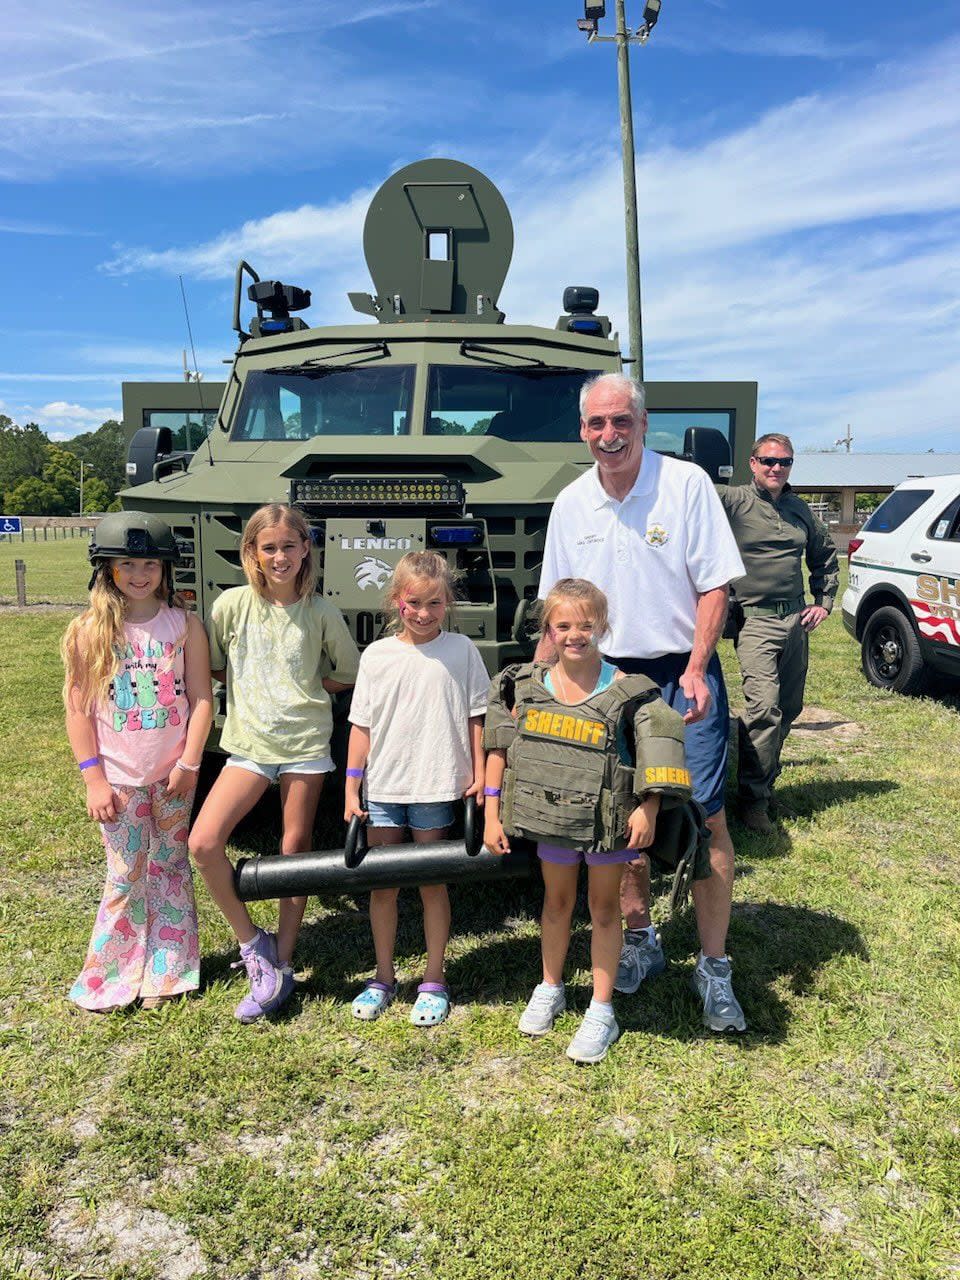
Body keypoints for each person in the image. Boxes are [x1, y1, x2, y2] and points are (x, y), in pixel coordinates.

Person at [538, 372, 749, 1032]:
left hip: (681, 675)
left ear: (642, 422)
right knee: (620, 822)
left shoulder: (685, 486)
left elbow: (714, 587)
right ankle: (640, 941)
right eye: (597, 424)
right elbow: (557, 612)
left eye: (620, 422)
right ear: (582, 430)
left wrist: (695, 669)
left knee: (707, 818)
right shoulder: (571, 503)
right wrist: (540, 693)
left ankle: (714, 968)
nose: (609, 435)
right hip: (607, 681)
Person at [484, 578, 692, 1063]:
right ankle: (550, 986)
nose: (575, 634)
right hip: (552, 821)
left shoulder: (628, 690)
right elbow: (498, 745)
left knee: (603, 912)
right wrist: (492, 811)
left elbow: (658, 749)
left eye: (586, 624)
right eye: (563, 625)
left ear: (602, 626)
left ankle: (601, 1009)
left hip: (607, 826)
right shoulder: (526, 685)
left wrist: (650, 807)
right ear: (548, 630)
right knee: (555, 905)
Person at [188, 504, 359, 1023]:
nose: (280, 556)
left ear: (306, 549)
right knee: (203, 842)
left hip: (306, 746)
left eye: (289, 546)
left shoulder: (321, 611)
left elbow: (347, 671)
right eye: (269, 548)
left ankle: (283, 961)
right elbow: (215, 664)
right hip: (249, 746)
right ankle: (253, 943)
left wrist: (308, 689)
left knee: (293, 850)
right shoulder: (230, 606)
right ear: (252, 554)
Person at [63, 512, 213, 1012]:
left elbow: (201, 699)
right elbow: (78, 711)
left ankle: (169, 973)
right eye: (127, 563)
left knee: (170, 867)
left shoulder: (183, 625)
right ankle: (113, 974)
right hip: (120, 780)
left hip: (173, 777)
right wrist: (94, 780)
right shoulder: (89, 632)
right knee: (126, 873)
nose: (141, 573)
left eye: (150, 562)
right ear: (107, 569)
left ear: (165, 569)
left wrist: (190, 763)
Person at [345, 551, 488, 1027]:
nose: (424, 613)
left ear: (448, 603)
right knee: (382, 885)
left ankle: (434, 976)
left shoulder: (462, 651)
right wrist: (352, 785)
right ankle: (383, 975)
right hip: (384, 786)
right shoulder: (378, 656)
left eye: (435, 603)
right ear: (396, 601)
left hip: (435, 784)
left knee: (432, 882)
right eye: (414, 602)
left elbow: (476, 717)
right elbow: (360, 726)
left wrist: (480, 772)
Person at [719, 433, 840, 833]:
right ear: (752, 463)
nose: (776, 468)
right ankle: (753, 802)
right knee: (763, 709)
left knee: (788, 709)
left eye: (784, 462)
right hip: (754, 622)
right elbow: (686, 496)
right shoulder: (734, 500)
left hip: (795, 622)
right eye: (768, 460)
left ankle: (763, 777)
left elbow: (824, 554)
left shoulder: (799, 509)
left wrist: (823, 600)